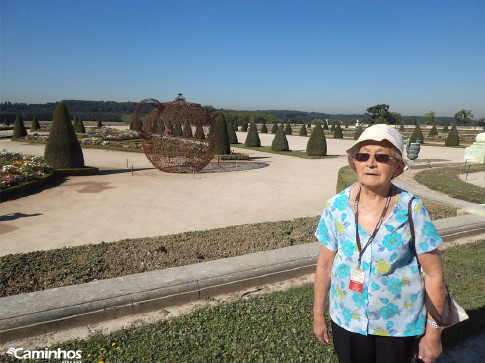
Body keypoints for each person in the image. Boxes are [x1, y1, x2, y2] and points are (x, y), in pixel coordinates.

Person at [313, 124, 446, 363]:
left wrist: (433, 334)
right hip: (347, 318)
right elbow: (324, 266)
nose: (370, 163)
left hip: (397, 322)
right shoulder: (335, 207)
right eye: (363, 155)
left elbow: (433, 274)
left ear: (398, 167)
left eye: (382, 157)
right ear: (355, 162)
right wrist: (318, 315)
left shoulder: (412, 208)